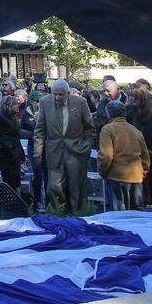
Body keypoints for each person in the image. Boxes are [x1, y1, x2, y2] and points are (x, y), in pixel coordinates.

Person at [33, 79, 94, 214]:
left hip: (76, 150)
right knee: (53, 187)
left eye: (61, 95)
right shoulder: (45, 102)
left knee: (75, 186)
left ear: (68, 93)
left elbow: (91, 128)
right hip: (54, 150)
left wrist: (86, 146)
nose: (57, 97)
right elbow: (40, 130)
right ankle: (58, 213)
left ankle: (77, 214)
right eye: (55, 94)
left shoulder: (80, 103)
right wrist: (38, 151)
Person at [96, 102, 151, 211]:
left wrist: (102, 171)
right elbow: (145, 156)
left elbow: (106, 156)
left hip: (116, 175)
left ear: (108, 114)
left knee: (119, 214)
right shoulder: (136, 131)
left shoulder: (107, 129)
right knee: (137, 214)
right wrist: (143, 172)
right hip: (136, 176)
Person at [0, 95, 25, 193]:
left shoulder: (13, 116)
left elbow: (16, 136)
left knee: (16, 178)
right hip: (4, 153)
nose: (18, 106)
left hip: (14, 151)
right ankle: (10, 200)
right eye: (15, 104)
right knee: (9, 178)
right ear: (8, 105)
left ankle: (18, 199)